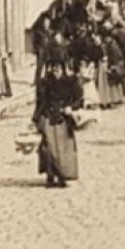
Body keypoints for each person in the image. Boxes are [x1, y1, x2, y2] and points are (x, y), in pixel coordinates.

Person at [35, 58, 83, 188]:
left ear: (63, 69)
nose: (55, 71)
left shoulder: (71, 83)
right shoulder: (44, 83)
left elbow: (79, 99)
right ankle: (50, 176)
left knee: (63, 149)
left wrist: (71, 107)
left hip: (64, 119)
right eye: (53, 68)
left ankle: (63, 176)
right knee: (49, 148)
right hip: (49, 117)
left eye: (58, 68)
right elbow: (40, 102)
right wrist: (36, 119)